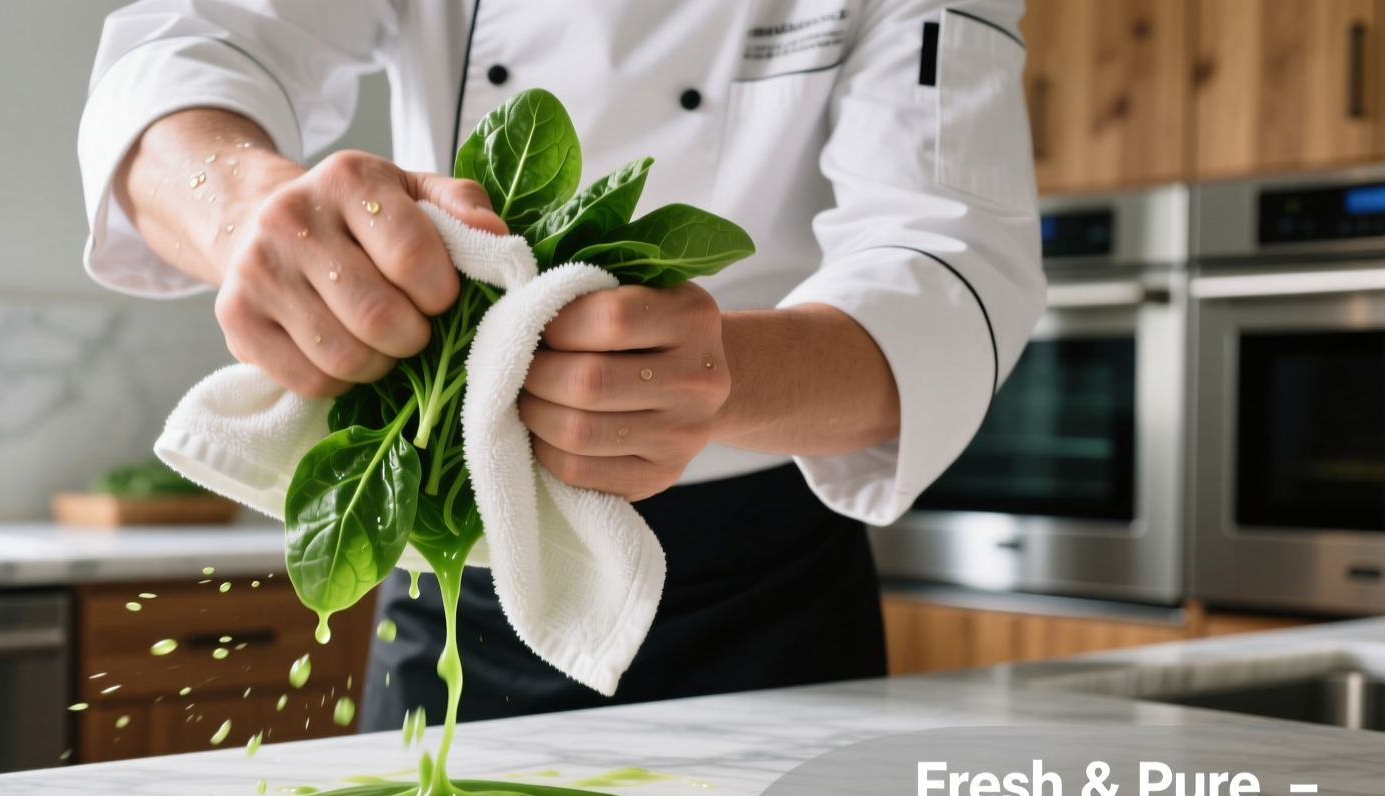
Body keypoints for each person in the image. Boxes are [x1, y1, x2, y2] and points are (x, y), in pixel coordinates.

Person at [77, 0, 1044, 729]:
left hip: (763, 589)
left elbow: (952, 269)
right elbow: (182, 48)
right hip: (452, 543)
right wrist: (244, 202)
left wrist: (717, 375)